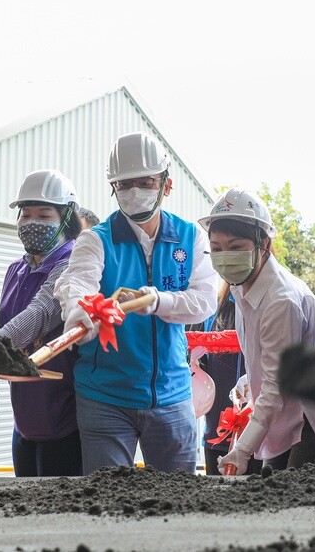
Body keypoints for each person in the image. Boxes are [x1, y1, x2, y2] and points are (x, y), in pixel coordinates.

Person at [52, 132, 218, 473]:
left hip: (172, 394)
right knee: (108, 500)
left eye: (144, 182)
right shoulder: (95, 240)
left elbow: (204, 302)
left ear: (166, 185)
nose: (134, 192)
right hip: (105, 397)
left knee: (179, 498)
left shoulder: (190, 237)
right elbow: (78, 283)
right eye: (124, 184)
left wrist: (158, 301)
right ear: (113, 188)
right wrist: (80, 313)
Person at [199, 189, 315, 475]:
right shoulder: (243, 285)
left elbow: (276, 387)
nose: (224, 257)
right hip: (284, 412)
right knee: (274, 493)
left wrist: (242, 450)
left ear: (263, 244)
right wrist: (249, 378)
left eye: (235, 246)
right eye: (216, 248)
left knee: (296, 501)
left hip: (311, 416)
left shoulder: (281, 300)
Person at [0, 169, 84, 477]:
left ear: (66, 219)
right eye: (25, 215)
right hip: (26, 416)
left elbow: (42, 313)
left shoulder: (72, 263)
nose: (32, 223)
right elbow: (7, 323)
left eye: (44, 215)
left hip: (65, 414)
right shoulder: (16, 269)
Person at [189, 281, 256, 475]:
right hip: (217, 434)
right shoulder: (211, 309)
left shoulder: (271, 306)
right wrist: (190, 362)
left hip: (262, 435)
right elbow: (193, 365)